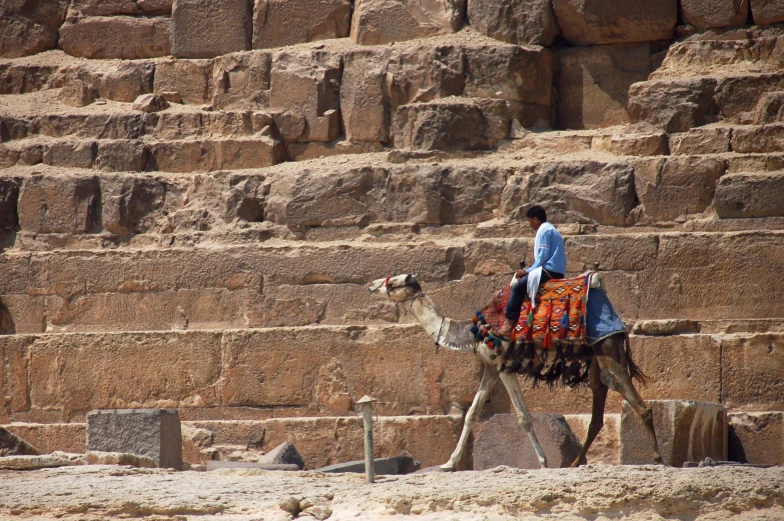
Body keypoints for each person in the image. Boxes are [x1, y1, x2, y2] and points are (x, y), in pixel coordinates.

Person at [497, 206, 566, 338]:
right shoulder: (553, 230)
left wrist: (528, 270)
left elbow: (543, 255)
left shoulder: (544, 230)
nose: (530, 224)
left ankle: (509, 324)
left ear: (535, 219)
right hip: (557, 269)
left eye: (530, 221)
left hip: (549, 269)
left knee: (517, 288)